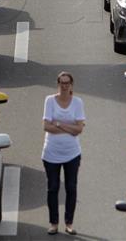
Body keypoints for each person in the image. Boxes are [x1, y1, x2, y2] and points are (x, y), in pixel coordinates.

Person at [42, 72, 85, 236]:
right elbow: (46, 126)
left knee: (71, 188)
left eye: (67, 83)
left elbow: (79, 130)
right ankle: (53, 223)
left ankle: (69, 223)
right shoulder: (50, 101)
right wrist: (69, 127)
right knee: (53, 188)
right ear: (58, 84)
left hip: (72, 153)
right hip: (51, 152)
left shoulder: (77, 103)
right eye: (62, 83)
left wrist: (59, 123)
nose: (64, 86)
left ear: (71, 85)